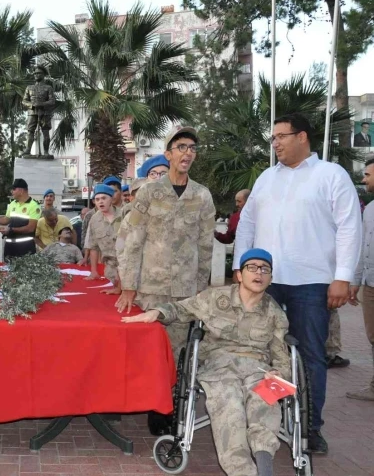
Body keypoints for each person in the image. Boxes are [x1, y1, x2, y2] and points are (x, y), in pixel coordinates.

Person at [233, 113, 362, 453]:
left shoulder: (331, 176)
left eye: (281, 136)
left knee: (308, 357)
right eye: (272, 137)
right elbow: (246, 223)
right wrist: (239, 267)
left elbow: (350, 227)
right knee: (266, 353)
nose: (274, 143)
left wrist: (342, 277)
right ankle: (268, 422)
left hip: (312, 283)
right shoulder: (265, 178)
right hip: (265, 284)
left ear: (302, 137)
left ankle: (308, 428)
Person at [122, 248, 290, 476]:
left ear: (270, 278)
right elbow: (181, 308)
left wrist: (279, 374)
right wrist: (157, 313)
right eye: (252, 267)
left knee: (265, 402)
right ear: (240, 275)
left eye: (265, 269)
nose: (258, 273)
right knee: (230, 408)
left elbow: (282, 357)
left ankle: (264, 465)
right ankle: (243, 472)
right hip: (219, 366)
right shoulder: (215, 298)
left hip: (259, 368)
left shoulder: (276, 314)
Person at [116, 126, 215, 435]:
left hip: (185, 290)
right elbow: (132, 239)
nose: (187, 152)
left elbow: (206, 244)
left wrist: (201, 288)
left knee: (179, 351)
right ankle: (149, 404)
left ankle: (169, 407)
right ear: (169, 154)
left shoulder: (202, 196)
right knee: (151, 351)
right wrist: (129, 285)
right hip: (151, 289)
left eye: (192, 148)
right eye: (181, 146)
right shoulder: (148, 193)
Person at [347, 157, 374, 401]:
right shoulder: (370, 209)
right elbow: (362, 247)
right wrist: (355, 281)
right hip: (370, 283)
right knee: (372, 336)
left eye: (367, 174)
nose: (364, 179)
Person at [0, 178, 41, 259]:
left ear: (21, 190)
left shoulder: (34, 205)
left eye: (14, 189)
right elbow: (6, 220)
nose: (12, 191)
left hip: (25, 247)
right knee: (7, 270)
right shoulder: (12, 204)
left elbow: (31, 228)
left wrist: (11, 230)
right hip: (9, 246)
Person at [84, 184, 123, 293]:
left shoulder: (124, 214)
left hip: (128, 266)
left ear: (111, 199)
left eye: (104, 198)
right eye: (97, 199)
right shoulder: (94, 220)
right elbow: (93, 246)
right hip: (111, 268)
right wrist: (94, 271)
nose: (100, 202)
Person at [22, 66, 56, 158]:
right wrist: (32, 105)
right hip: (32, 113)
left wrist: (41, 104)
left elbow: (52, 101)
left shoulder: (48, 88)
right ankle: (28, 150)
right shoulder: (29, 87)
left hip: (44, 113)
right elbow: (24, 101)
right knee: (30, 131)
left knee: (45, 132)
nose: (36, 75)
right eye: (35, 73)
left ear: (43, 75)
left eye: (39, 73)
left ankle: (46, 152)